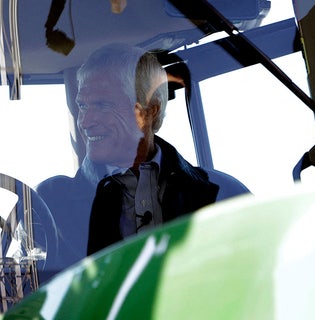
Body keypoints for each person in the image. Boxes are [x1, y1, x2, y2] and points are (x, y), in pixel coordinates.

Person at [37, 43, 219, 264]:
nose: (85, 121)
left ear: (151, 111)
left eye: (102, 105)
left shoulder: (225, 195)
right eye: (83, 106)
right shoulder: (48, 204)